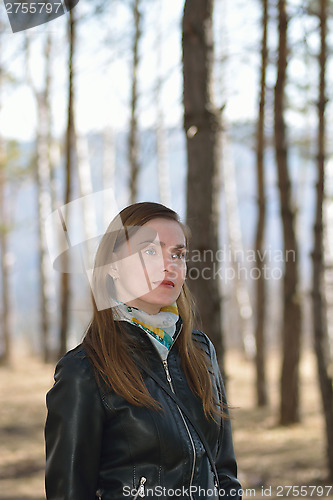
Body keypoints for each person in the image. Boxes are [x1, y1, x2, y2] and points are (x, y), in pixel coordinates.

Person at [44, 201, 242, 500]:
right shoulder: (84, 370)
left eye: (178, 254)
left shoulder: (200, 351)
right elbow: (68, 492)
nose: (169, 265)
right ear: (112, 267)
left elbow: (223, 471)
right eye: (150, 251)